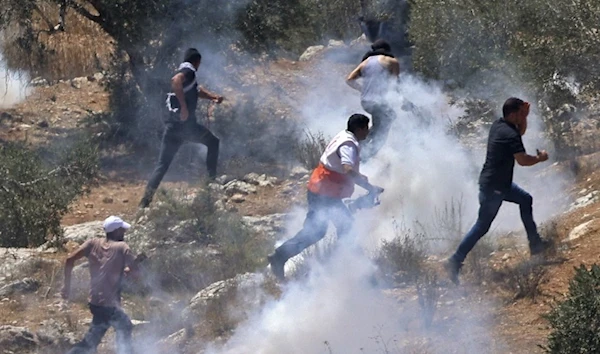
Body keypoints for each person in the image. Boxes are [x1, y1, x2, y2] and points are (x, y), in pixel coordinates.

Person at [445, 98, 553, 284]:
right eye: (520, 113)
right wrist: (540, 158)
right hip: (493, 188)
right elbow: (522, 160)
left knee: (525, 199)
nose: (522, 116)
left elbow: (520, 132)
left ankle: (536, 245)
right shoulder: (508, 133)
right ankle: (454, 260)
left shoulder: (500, 125)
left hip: (500, 185)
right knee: (482, 226)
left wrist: (525, 117)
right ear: (512, 114)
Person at [268, 114, 384, 280]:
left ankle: (281, 256)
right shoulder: (348, 145)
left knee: (321, 231)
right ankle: (360, 273)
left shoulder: (345, 136)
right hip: (324, 194)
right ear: (359, 129)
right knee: (340, 229)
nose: (368, 132)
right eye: (366, 128)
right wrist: (369, 187)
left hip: (322, 190)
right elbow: (348, 169)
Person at [140, 48, 225, 208]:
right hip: (187, 128)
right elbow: (176, 80)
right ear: (197, 61)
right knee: (213, 143)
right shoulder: (188, 70)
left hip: (172, 129)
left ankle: (144, 203)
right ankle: (210, 186)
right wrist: (184, 107)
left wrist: (213, 97)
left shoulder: (187, 74)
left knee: (162, 165)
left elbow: (195, 90)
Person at [62, 216, 139, 354]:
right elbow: (136, 274)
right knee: (124, 326)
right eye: (122, 231)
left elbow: (69, 260)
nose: (124, 234)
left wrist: (66, 287)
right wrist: (129, 272)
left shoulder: (92, 243)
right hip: (109, 304)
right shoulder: (122, 247)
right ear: (116, 232)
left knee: (95, 336)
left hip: (95, 302)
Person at [346, 39, 400, 160]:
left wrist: (362, 90)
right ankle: (365, 156)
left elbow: (349, 80)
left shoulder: (365, 63)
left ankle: (361, 144)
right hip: (378, 102)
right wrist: (405, 102)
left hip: (365, 102)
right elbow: (396, 85)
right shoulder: (392, 61)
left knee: (380, 123)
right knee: (387, 123)